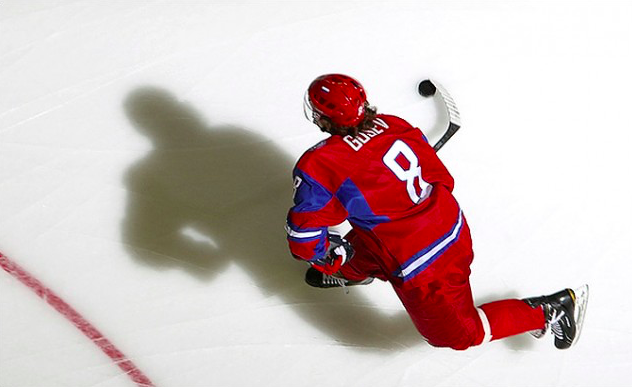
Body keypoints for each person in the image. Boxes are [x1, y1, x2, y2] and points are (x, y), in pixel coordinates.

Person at [285, 73, 588, 350]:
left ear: (324, 117)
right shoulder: (393, 124)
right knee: (369, 239)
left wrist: (322, 254)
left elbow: (304, 235)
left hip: (427, 265)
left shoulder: (320, 165)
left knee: (458, 336)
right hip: (445, 225)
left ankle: (548, 310)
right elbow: (442, 179)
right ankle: (353, 271)